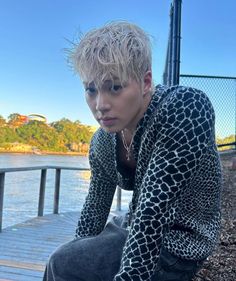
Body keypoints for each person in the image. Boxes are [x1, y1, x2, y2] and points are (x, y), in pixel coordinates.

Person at [43, 21, 222, 281]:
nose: (100, 105)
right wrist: (78, 250)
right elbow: (95, 207)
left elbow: (154, 209)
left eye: (114, 87)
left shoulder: (185, 108)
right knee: (65, 259)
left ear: (146, 81)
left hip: (180, 241)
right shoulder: (103, 141)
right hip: (131, 223)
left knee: (63, 264)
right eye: (91, 89)